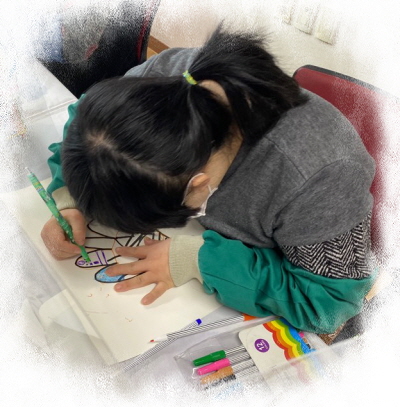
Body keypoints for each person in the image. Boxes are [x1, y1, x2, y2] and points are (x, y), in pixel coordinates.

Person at [41, 26, 376, 333]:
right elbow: (90, 128)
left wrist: (199, 259)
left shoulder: (322, 175)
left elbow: (329, 304)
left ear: (200, 188)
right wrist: (70, 200)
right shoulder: (170, 76)